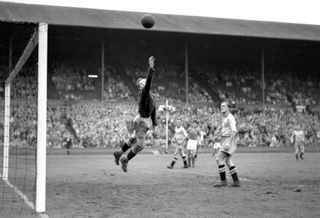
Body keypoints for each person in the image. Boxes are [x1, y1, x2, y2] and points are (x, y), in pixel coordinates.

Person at [113, 56, 157, 172]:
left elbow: (154, 110)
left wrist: (155, 124)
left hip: (143, 120)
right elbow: (147, 85)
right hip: (142, 120)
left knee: (134, 139)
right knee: (140, 145)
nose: (143, 86)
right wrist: (150, 69)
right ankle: (125, 159)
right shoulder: (144, 93)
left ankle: (119, 153)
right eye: (143, 85)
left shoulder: (151, 96)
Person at [214, 101, 240, 187]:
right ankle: (236, 181)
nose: (222, 107)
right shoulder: (225, 117)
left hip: (229, 139)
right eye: (221, 106)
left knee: (218, 158)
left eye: (224, 106)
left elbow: (234, 131)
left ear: (228, 108)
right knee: (228, 161)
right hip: (226, 139)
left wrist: (228, 142)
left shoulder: (230, 117)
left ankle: (223, 181)